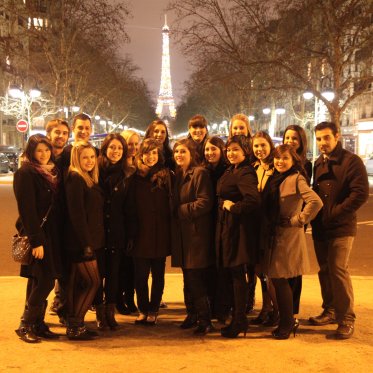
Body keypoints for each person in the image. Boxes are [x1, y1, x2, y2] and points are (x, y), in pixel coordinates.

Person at [309, 121, 369, 339]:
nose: (323, 143)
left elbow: (360, 194)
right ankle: (331, 310)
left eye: (326, 137)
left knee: (337, 269)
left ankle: (346, 319)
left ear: (337, 136)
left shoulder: (351, 161)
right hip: (321, 227)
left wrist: (335, 213)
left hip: (341, 227)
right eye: (318, 139)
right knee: (324, 270)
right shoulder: (318, 163)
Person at [263, 144, 322, 340]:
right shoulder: (274, 178)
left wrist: (298, 219)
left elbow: (316, 202)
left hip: (287, 235)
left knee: (280, 279)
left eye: (285, 158)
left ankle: (286, 324)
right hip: (274, 234)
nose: (280, 161)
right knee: (277, 279)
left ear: (293, 161)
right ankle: (286, 321)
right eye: (278, 158)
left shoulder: (296, 178)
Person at [13, 134, 62, 343]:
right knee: (45, 280)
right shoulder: (26, 173)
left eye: (47, 150)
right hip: (39, 234)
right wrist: (36, 240)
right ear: (31, 152)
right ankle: (25, 323)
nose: (44, 154)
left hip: (51, 233)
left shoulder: (50, 172)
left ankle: (38, 324)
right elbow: (27, 210)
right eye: (39, 150)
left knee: (38, 279)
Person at [215, 135, 260, 338]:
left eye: (235, 149)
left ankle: (240, 320)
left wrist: (234, 207)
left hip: (238, 231)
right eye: (229, 149)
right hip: (229, 228)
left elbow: (253, 201)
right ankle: (237, 318)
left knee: (237, 275)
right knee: (233, 274)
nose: (231, 153)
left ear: (245, 151)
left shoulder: (244, 172)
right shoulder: (232, 169)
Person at [127, 138, 172, 325]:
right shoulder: (134, 178)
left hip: (160, 233)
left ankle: (153, 309)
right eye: (147, 153)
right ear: (141, 155)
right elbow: (129, 207)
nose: (151, 156)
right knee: (140, 276)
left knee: (158, 275)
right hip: (140, 233)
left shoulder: (166, 176)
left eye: (154, 153)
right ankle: (143, 309)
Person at [171, 138, 215, 334]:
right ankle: (192, 314)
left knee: (195, 278)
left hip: (196, 235)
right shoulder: (179, 175)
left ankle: (205, 319)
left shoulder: (199, 173)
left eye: (183, 152)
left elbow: (205, 202)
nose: (179, 155)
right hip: (184, 235)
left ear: (192, 154)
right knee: (187, 277)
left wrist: (181, 210)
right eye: (176, 152)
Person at [64, 141, 104, 340]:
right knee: (93, 282)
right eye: (84, 157)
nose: (89, 161)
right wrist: (86, 244)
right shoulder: (75, 178)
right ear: (76, 159)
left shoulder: (87, 177)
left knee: (80, 283)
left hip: (86, 241)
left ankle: (75, 324)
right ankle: (75, 324)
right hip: (81, 243)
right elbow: (77, 215)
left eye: (91, 157)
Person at [95, 134, 130, 329]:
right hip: (98, 231)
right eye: (112, 147)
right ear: (105, 149)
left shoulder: (126, 174)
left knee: (114, 273)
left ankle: (110, 312)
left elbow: (129, 208)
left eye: (119, 148)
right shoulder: (95, 171)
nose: (115, 151)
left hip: (117, 231)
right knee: (98, 274)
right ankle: (100, 313)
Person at [282, 124, 312, 321]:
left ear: (301, 142)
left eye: (295, 139)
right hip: (282, 221)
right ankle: (282, 309)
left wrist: (300, 219)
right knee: (281, 266)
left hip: (294, 220)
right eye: (287, 138)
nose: (290, 142)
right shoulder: (282, 161)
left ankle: (292, 312)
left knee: (293, 268)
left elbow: (308, 197)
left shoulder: (304, 165)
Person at [250, 131, 279, 327]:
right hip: (256, 225)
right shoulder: (253, 168)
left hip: (271, 226)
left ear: (270, 145)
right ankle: (266, 307)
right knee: (260, 271)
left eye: (263, 145)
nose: (260, 149)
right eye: (256, 146)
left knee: (271, 272)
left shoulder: (277, 168)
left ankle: (278, 311)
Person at [228, 114, 256, 314]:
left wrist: (232, 206)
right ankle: (241, 305)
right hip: (233, 224)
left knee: (247, 268)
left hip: (244, 221)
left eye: (241, 128)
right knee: (238, 269)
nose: (238, 131)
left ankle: (244, 307)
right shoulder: (234, 164)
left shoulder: (246, 166)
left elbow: (251, 199)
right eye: (235, 128)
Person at [45, 119, 70, 319]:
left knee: (65, 269)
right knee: (41, 275)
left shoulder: (70, 157)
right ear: (49, 135)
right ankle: (32, 320)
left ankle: (62, 308)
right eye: (57, 132)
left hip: (65, 220)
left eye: (64, 133)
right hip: (46, 223)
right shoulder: (40, 160)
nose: (60, 136)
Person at [202, 136, 229, 323]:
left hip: (223, 222)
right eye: (207, 149)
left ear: (222, 150)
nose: (210, 153)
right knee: (209, 267)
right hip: (208, 223)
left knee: (223, 268)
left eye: (214, 149)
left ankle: (222, 309)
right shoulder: (204, 170)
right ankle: (211, 306)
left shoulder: (227, 171)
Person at [115, 129, 141, 314]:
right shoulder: (117, 167)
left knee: (133, 264)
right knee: (120, 265)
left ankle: (130, 298)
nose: (132, 147)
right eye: (129, 144)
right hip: (120, 221)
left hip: (136, 220)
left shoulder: (139, 165)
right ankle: (118, 299)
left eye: (135, 144)